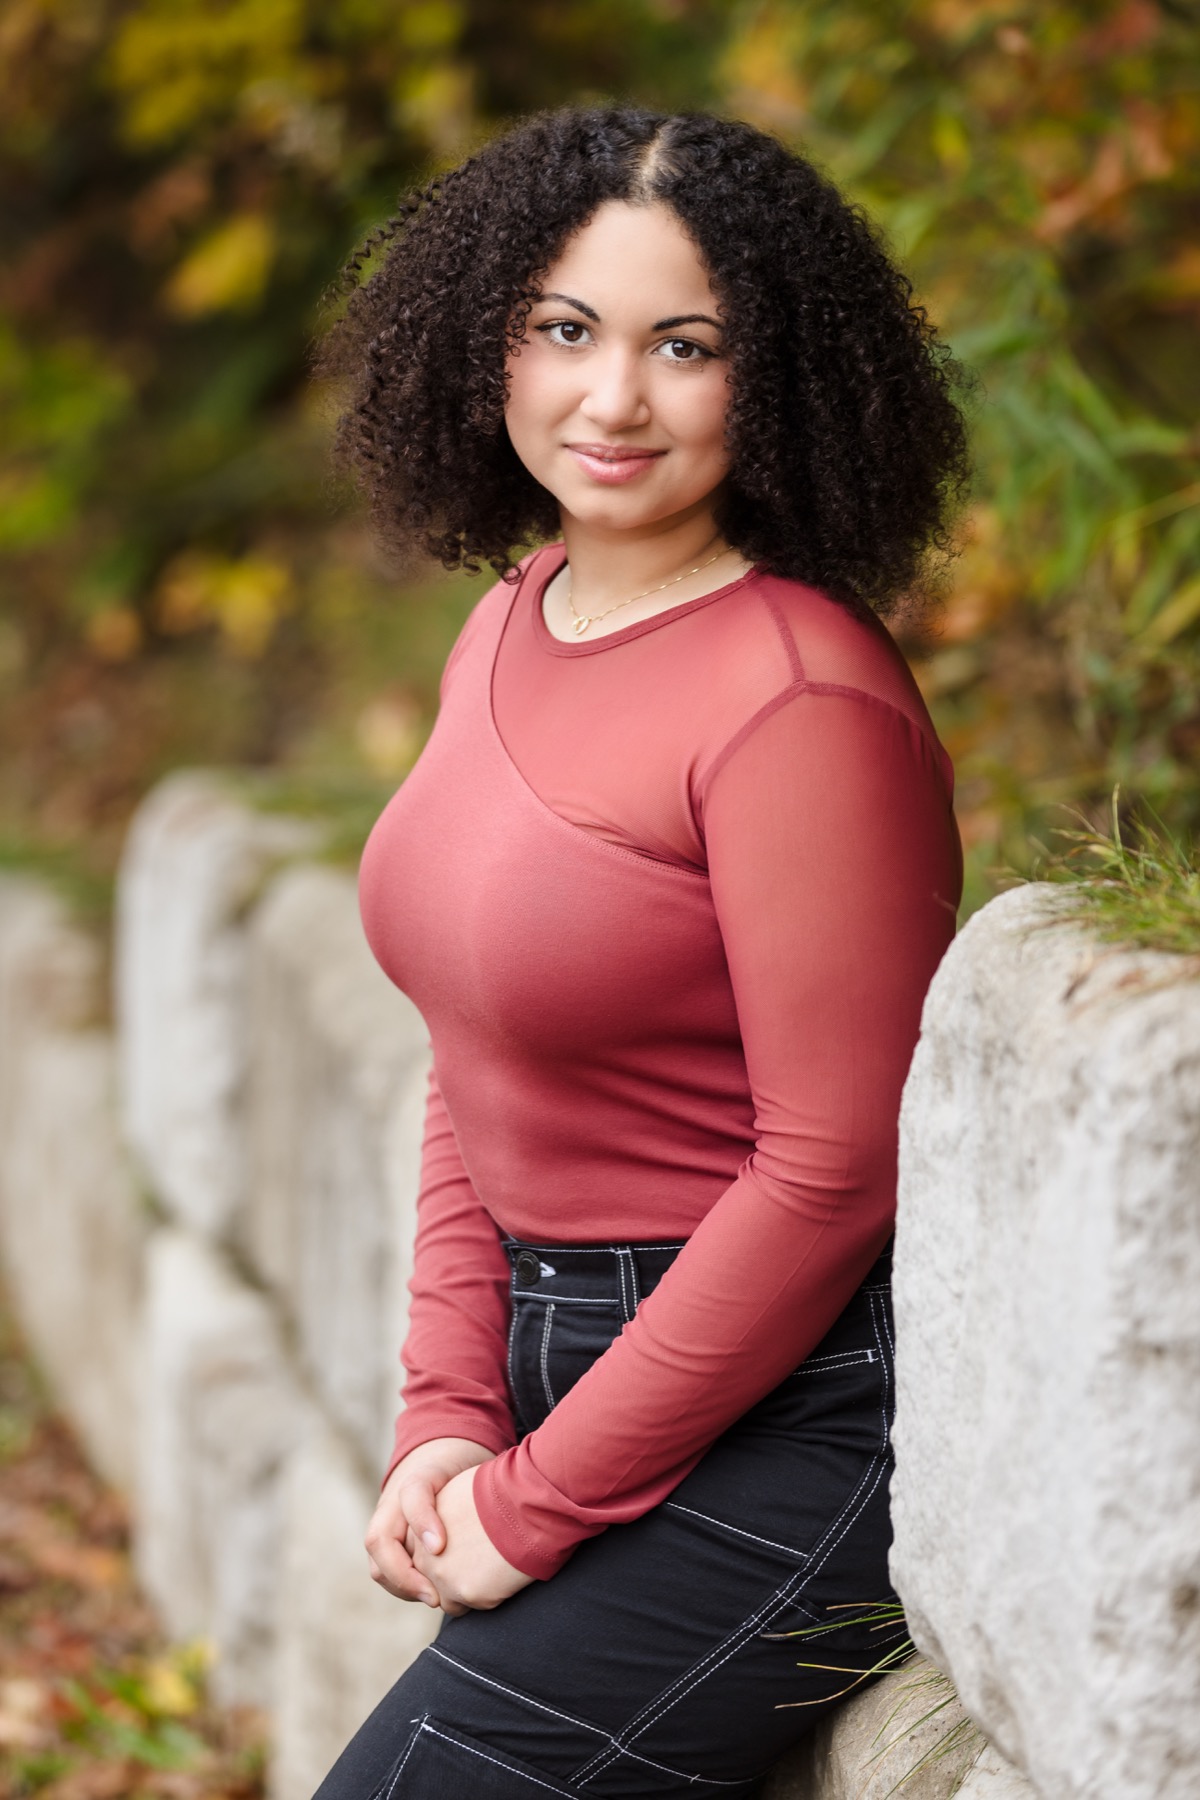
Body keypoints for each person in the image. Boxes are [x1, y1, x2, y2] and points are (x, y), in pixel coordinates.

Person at [313, 105, 967, 1799]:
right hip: (560, 1363)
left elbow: (834, 1170)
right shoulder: (514, 616)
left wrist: (536, 1503)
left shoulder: (798, 697)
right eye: (564, 329)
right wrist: (450, 1406)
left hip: (792, 1414)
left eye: (688, 347)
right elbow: (482, 1052)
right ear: (486, 343)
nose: (613, 400)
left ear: (784, 380)